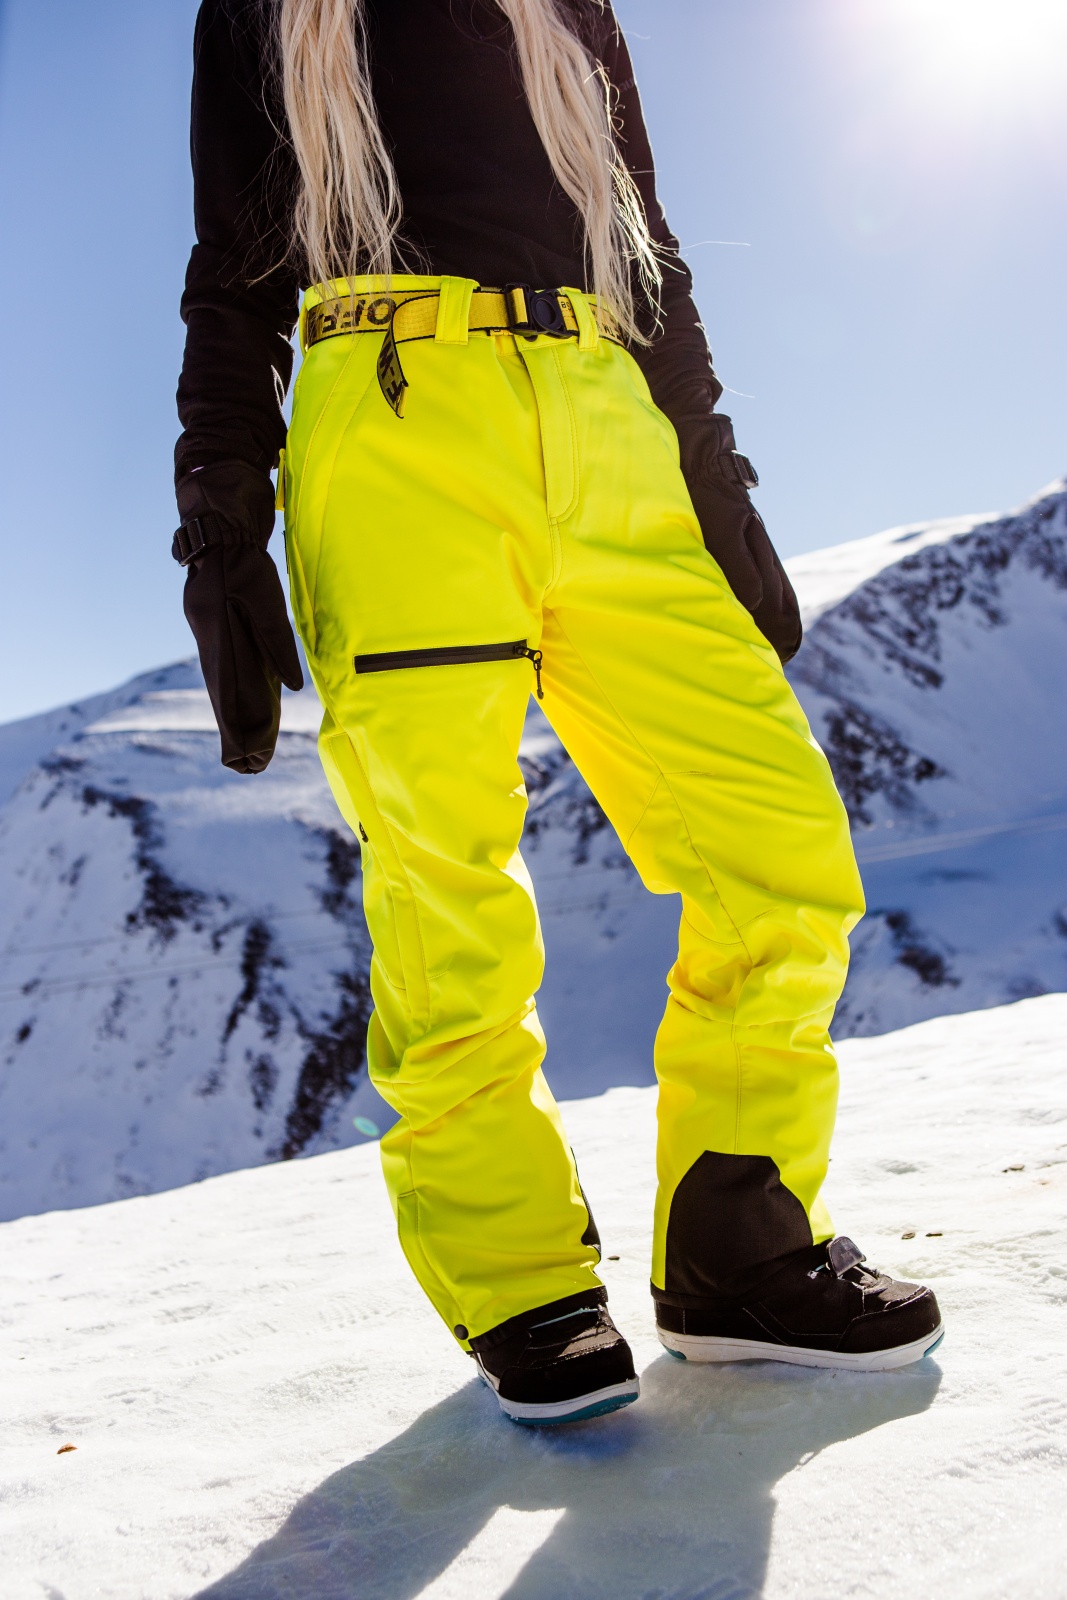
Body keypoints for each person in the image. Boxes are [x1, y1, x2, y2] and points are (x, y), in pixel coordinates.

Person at [174, 0, 943, 1427]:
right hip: (393, 425)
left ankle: (736, 1248)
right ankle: (522, 1281)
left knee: (776, 845)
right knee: (446, 891)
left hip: (605, 419)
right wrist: (219, 512)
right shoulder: (268, 11)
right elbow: (234, 271)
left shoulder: (571, 8)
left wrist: (712, 469)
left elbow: (648, 250)